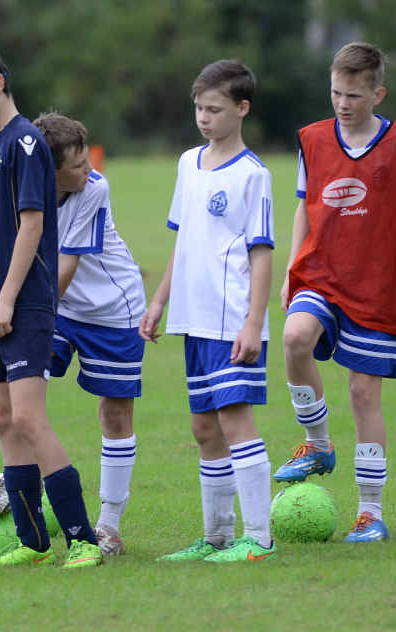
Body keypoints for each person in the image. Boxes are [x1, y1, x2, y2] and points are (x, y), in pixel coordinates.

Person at [0, 41, 102, 569]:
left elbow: (31, 226)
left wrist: (7, 301)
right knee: (4, 419)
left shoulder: (26, 143)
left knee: (30, 419)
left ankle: (83, 540)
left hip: (23, 304)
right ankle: (32, 543)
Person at [273, 42, 396, 542]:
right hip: (321, 272)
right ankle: (317, 443)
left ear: (377, 94)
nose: (342, 104)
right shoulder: (313, 140)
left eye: (353, 95)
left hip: (379, 284)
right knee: (294, 338)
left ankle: (370, 513)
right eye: (335, 93)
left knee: (364, 394)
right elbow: (304, 206)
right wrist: (291, 268)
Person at [140, 59, 277, 562]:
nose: (204, 117)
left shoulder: (253, 175)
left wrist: (254, 323)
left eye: (214, 109)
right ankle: (217, 537)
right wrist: (160, 300)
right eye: (199, 108)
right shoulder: (187, 163)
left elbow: (261, 253)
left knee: (235, 421)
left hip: (231, 319)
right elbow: (184, 241)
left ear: (242, 109)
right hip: (192, 319)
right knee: (204, 429)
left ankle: (259, 540)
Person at [31, 112, 146, 557]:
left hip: (112, 310)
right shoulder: (23, 185)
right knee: (20, 391)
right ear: (49, 170)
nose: (88, 169)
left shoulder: (94, 188)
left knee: (115, 414)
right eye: (77, 165)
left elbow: (66, 265)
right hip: (58, 309)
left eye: (87, 159)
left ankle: (109, 527)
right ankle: (18, 492)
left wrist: (26, 315)